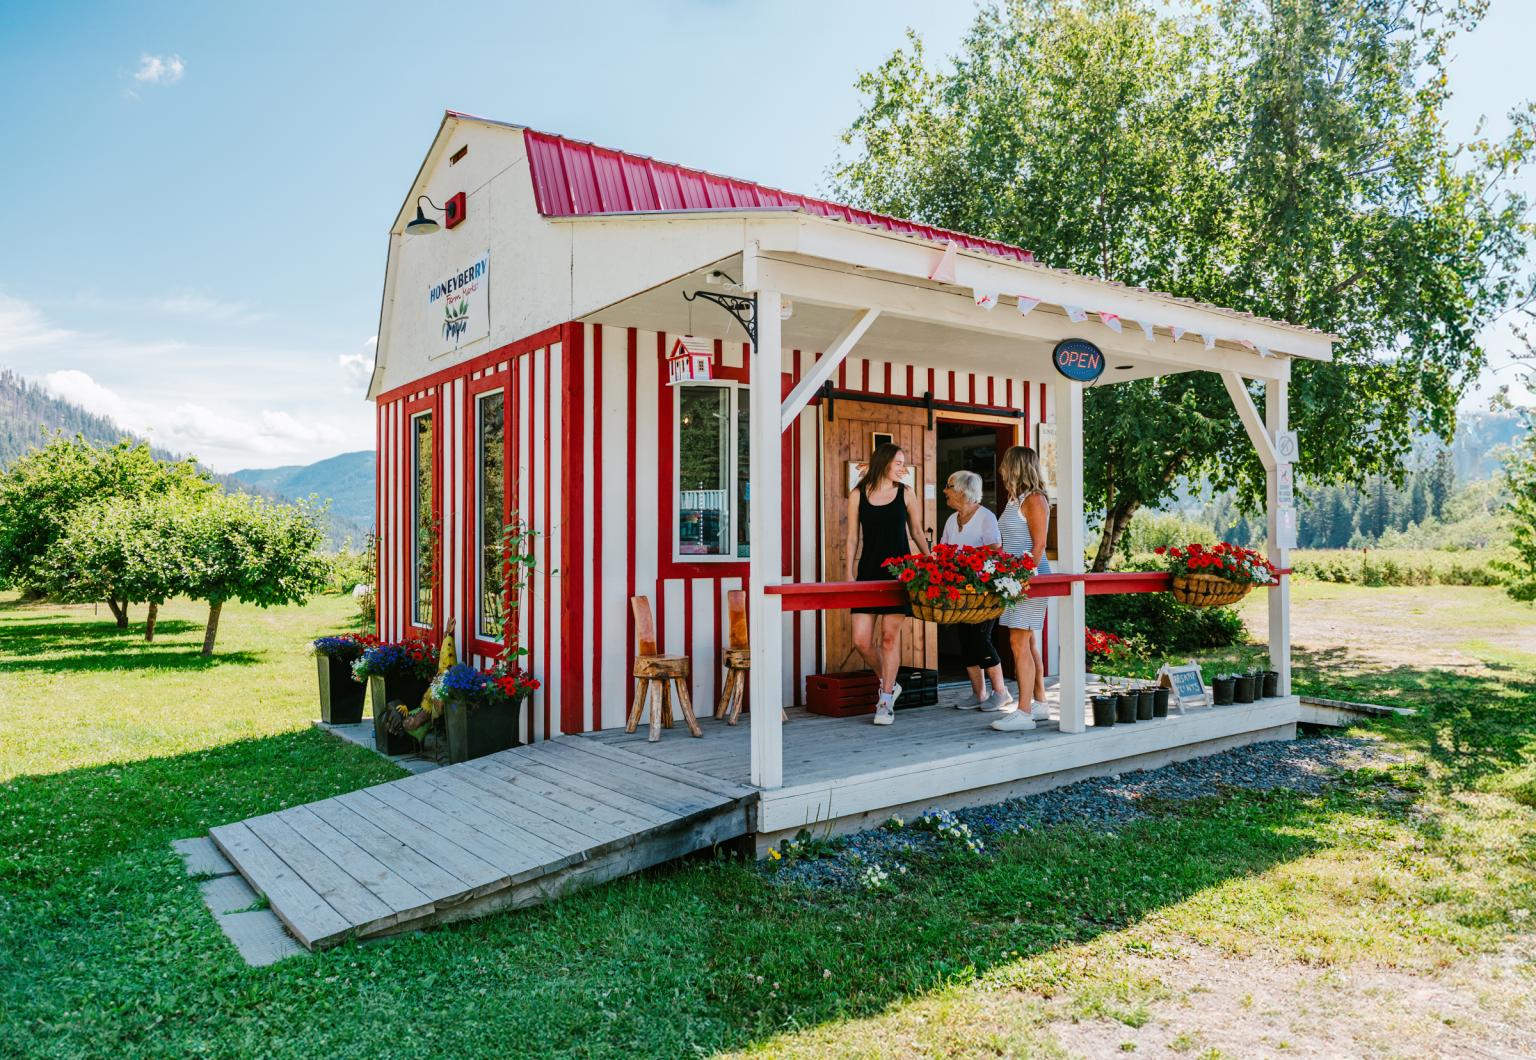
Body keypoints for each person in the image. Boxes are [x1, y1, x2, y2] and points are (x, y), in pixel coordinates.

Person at [846, 443, 929, 727]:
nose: (902, 468)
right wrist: (848, 573)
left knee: (889, 638)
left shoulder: (906, 493)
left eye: (904, 463)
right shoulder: (858, 494)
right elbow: (852, 538)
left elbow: (917, 531)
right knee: (860, 640)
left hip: (900, 574)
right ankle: (890, 683)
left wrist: (932, 563)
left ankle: (884, 700)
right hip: (868, 572)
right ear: (884, 462)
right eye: (898, 463)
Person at [939, 470, 1012, 712]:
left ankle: (1001, 692)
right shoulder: (952, 519)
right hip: (961, 591)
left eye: (949, 486)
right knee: (966, 640)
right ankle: (978, 693)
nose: (945, 491)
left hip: (984, 591)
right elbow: (943, 551)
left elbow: (995, 550)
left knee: (980, 638)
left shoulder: (985, 517)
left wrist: (967, 560)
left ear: (962, 490)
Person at [990, 446, 1053, 732]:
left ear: (1016, 466)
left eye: (1006, 463)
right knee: (1027, 641)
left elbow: (1038, 546)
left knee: (1018, 641)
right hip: (1015, 576)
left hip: (1030, 577)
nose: (1002, 468)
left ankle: (1024, 712)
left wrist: (1022, 578)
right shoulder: (1016, 498)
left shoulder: (1035, 499)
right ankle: (1039, 702)